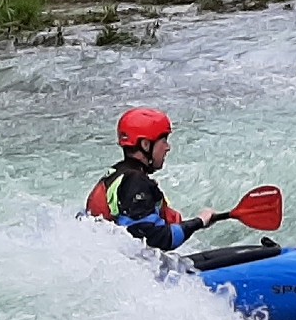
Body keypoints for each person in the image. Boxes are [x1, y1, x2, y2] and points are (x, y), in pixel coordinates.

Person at [85, 107, 225, 251]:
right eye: (163, 140)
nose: (167, 147)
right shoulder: (135, 182)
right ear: (145, 145)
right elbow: (158, 239)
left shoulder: (116, 174)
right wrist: (199, 222)